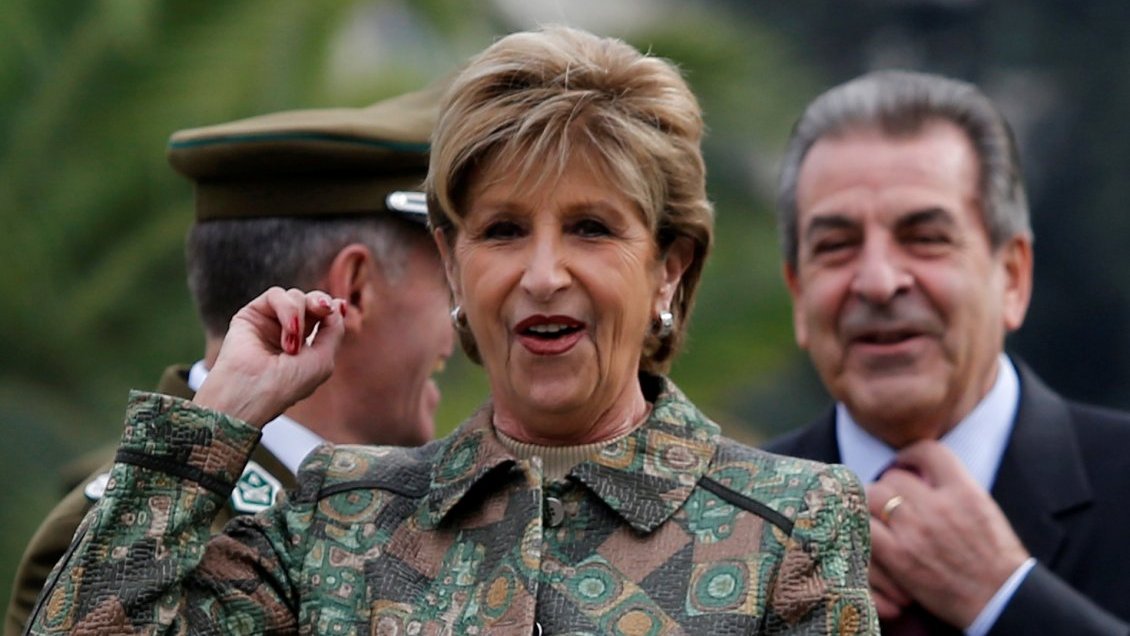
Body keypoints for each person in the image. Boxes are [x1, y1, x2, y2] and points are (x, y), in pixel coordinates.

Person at [26, 26, 876, 635]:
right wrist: (214, 424)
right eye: (502, 230)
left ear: (670, 267)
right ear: (453, 265)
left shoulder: (787, 525)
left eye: (591, 228)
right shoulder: (338, 518)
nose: (542, 275)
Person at [8, 85, 455, 636]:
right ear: (356, 289)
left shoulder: (420, 507)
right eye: (447, 280)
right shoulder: (117, 535)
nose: (462, 320)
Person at [766, 69, 1130, 635]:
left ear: (1012, 277)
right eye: (836, 246)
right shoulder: (730, 520)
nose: (878, 282)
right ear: (798, 294)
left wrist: (1003, 595)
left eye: (925, 238)